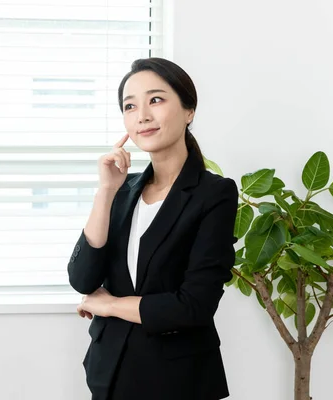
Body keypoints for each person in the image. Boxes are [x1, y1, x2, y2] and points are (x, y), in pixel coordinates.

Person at [67, 57, 238, 400]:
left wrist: (111, 305)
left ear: (189, 110)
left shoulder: (213, 194)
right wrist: (106, 191)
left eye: (155, 100)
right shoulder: (121, 190)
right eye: (130, 106)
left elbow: (193, 306)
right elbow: (83, 280)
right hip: (109, 374)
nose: (142, 115)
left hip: (178, 381)